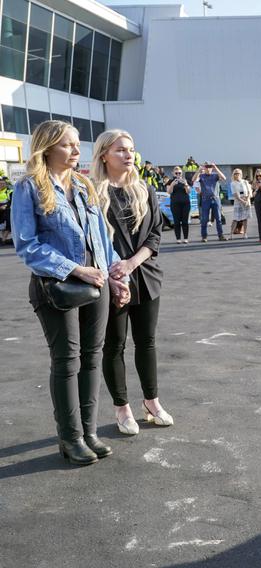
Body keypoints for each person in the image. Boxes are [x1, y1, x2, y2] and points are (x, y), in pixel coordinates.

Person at [11, 120, 131, 465]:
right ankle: (71, 437)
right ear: (47, 148)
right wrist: (76, 269)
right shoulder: (30, 188)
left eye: (78, 144)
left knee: (92, 358)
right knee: (66, 361)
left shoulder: (83, 185)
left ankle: (89, 432)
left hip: (98, 284)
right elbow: (27, 246)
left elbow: (102, 241)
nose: (77, 151)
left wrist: (115, 276)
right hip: (58, 287)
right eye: (68, 145)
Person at [92, 129, 173, 436]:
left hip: (145, 276)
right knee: (114, 345)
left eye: (131, 150)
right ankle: (122, 407)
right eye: (121, 150)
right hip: (110, 280)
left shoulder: (144, 190)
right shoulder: (93, 192)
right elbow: (90, 239)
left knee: (147, 342)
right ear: (104, 155)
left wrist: (131, 263)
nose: (128, 155)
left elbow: (154, 234)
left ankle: (151, 402)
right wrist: (115, 271)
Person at [191, 162, 226, 242]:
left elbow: (224, 178)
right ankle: (204, 236)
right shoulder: (201, 176)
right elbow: (193, 180)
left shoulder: (214, 175)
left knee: (218, 218)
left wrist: (215, 167)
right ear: (204, 168)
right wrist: (199, 170)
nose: (208, 168)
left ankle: (221, 235)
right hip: (205, 199)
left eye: (210, 167)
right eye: (206, 167)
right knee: (204, 219)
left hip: (215, 199)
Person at [165, 166, 192, 243]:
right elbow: (169, 192)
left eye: (179, 173)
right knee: (176, 222)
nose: (178, 174)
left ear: (182, 173)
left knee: (185, 221)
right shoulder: (170, 181)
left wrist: (186, 184)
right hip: (175, 204)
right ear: (173, 173)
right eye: (176, 173)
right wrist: (172, 185)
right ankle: (178, 239)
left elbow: (188, 192)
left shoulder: (185, 180)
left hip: (185, 203)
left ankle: (186, 238)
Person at [230, 169, 252, 239]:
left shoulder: (245, 182)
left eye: (238, 173)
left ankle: (245, 233)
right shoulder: (233, 183)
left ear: (241, 174)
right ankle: (230, 235)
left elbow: (249, 191)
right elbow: (235, 194)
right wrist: (242, 201)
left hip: (246, 200)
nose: (237, 175)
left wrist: (247, 199)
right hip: (238, 201)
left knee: (245, 218)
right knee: (235, 218)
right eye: (235, 173)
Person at [0, 177, 11, 245]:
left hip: (6, 209)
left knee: (8, 220)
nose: (1, 185)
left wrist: (5, 206)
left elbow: (12, 202)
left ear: (6, 184)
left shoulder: (9, 191)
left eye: (3, 183)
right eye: (0, 184)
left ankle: (3, 239)